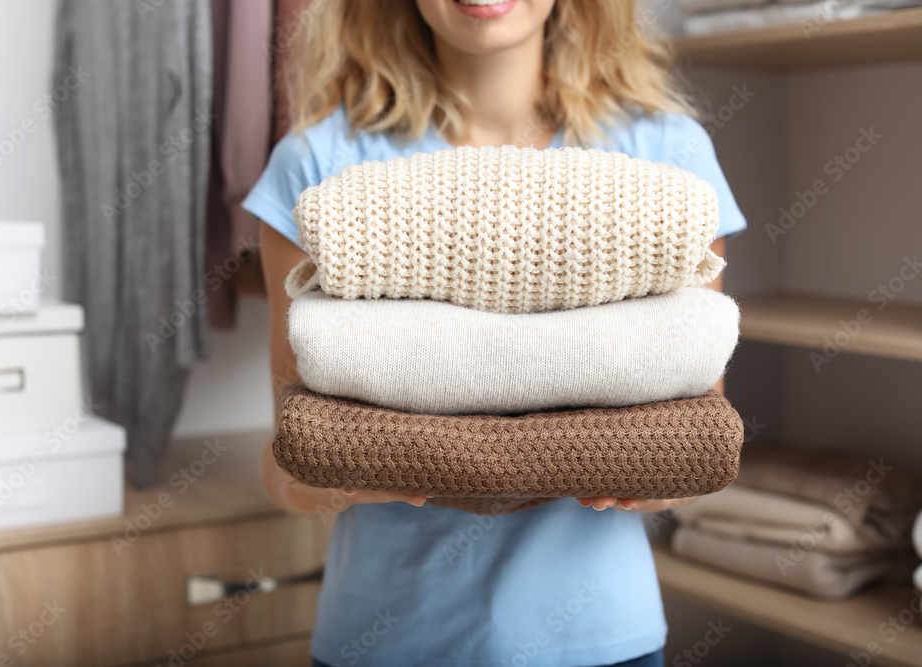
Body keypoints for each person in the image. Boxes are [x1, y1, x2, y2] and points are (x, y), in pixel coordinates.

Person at [243, 1, 745, 665]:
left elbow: (697, 411)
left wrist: (658, 474)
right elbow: (289, 453)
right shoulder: (321, 167)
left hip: (597, 637)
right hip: (387, 640)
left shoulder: (664, 158)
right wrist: (337, 476)